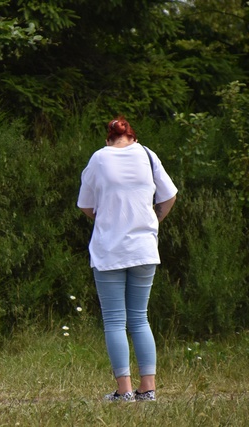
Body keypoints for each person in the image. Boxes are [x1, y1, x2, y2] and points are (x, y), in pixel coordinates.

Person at [77, 116, 177, 402]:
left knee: (114, 321)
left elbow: (85, 204)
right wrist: (154, 221)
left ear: (109, 139)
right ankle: (148, 389)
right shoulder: (147, 154)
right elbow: (169, 196)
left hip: (109, 249)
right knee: (139, 318)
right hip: (144, 248)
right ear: (132, 137)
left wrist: (106, 217)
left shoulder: (99, 158)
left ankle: (124, 391)